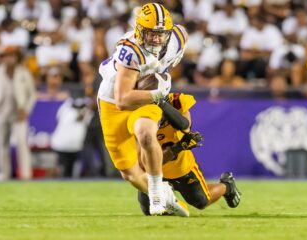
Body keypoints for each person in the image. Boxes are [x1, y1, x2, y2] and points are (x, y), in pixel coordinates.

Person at [97, 3, 189, 216]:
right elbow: (123, 99)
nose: (156, 39)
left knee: (146, 133)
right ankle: (165, 195)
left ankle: (156, 192)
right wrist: (157, 93)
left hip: (144, 101)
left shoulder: (177, 37)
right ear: (139, 30)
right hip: (114, 100)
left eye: (161, 34)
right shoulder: (130, 50)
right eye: (150, 34)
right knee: (129, 173)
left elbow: (182, 33)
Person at [137, 93, 241, 215]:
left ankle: (227, 185)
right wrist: (178, 147)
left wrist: (162, 104)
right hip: (155, 172)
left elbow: (185, 126)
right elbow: (145, 164)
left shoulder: (177, 101)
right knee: (148, 210)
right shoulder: (137, 115)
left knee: (201, 201)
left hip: (182, 168)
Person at [0, 46, 36, 181]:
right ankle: (4, 174)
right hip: (1, 111)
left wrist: (26, 110)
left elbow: (32, 94)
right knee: (2, 144)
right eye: (6, 56)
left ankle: (26, 175)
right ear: (1, 58)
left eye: (12, 56)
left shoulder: (23, 72)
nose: (9, 59)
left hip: (18, 113)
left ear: (16, 58)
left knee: (21, 142)